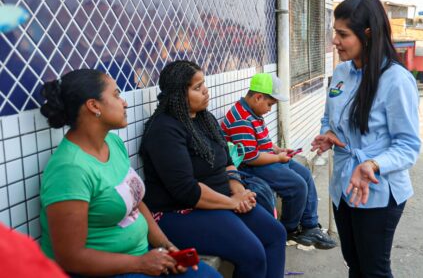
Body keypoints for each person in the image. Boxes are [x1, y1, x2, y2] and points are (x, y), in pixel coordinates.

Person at [39, 69, 221, 278]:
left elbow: (135, 200)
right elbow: (70, 257)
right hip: (106, 271)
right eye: (116, 95)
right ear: (94, 106)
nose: (124, 102)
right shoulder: (69, 169)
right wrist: (140, 263)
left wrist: (168, 248)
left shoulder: (112, 143)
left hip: (140, 257)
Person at [139, 60, 286, 278]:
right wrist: (231, 202)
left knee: (275, 234)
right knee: (252, 253)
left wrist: (237, 190)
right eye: (197, 88)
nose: (205, 91)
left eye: (203, 84)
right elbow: (186, 190)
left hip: (220, 200)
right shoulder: (164, 130)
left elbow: (227, 161)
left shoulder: (204, 118)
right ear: (178, 94)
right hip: (181, 212)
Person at [311, 0, 421, 278]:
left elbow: (408, 146)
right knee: (354, 265)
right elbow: (329, 117)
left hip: (378, 192)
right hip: (343, 188)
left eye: (342, 34)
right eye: (335, 32)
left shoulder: (396, 80)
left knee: (374, 271)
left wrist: (372, 164)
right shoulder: (340, 72)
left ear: (367, 34)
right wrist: (329, 134)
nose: (335, 41)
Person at [220, 72, 336, 250]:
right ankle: (288, 229)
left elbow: (263, 141)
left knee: (305, 174)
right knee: (296, 185)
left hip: (266, 158)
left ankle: (309, 226)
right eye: (269, 104)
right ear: (258, 97)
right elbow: (251, 157)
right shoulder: (241, 118)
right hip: (250, 167)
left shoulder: (253, 111)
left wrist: (278, 150)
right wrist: (278, 158)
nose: (270, 109)